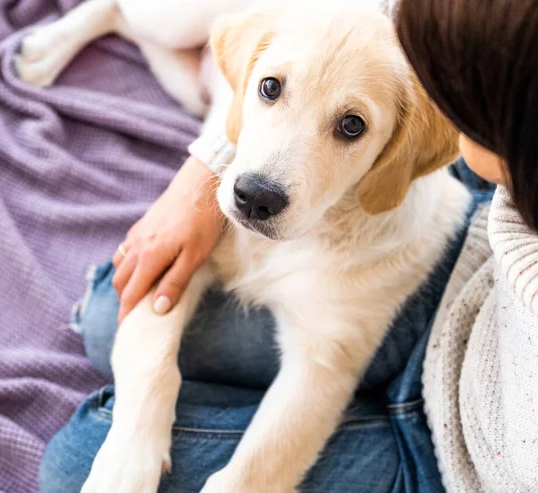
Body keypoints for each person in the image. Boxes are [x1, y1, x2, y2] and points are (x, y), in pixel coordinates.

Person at [38, 0, 538, 491]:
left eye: (350, 126)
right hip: (466, 309)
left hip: (447, 450)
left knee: (72, 464)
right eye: (271, 89)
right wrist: (207, 165)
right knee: (113, 313)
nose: (263, 183)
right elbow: (368, 33)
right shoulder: (489, 146)